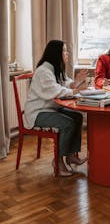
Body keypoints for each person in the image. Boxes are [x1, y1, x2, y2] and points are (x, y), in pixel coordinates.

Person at [24, 40, 89, 177]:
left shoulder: (55, 68)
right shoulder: (43, 71)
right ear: (56, 53)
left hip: (50, 108)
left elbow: (66, 83)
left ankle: (70, 155)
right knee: (68, 124)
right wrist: (76, 91)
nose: (67, 53)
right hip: (38, 112)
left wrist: (76, 81)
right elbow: (56, 90)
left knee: (77, 117)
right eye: (64, 51)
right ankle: (58, 161)